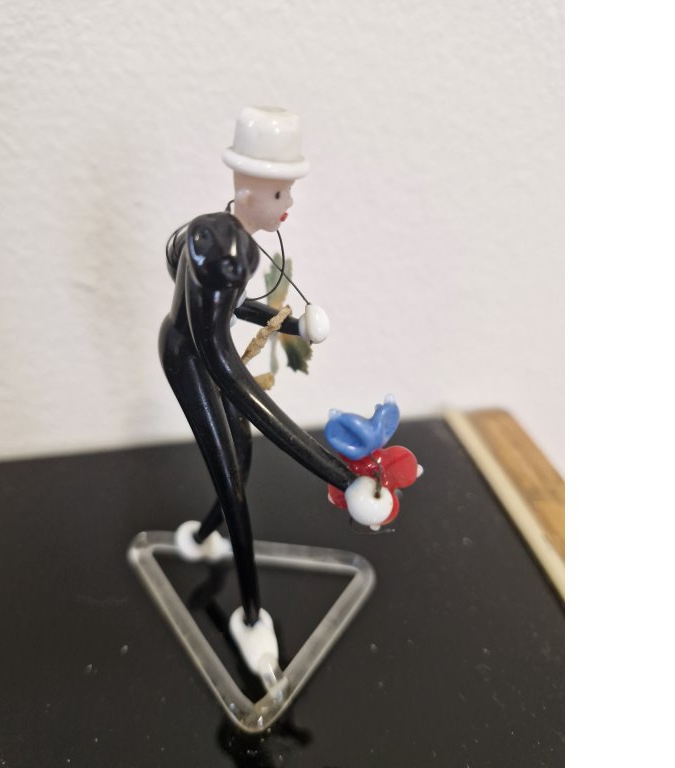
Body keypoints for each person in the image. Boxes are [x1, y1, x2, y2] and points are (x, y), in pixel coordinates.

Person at [159, 107, 387, 682]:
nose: (289, 205)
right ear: (245, 190)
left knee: (242, 457)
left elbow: (220, 301)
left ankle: (200, 538)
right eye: (280, 193)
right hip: (190, 361)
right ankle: (251, 616)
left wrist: (295, 325)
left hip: (201, 349)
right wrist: (342, 478)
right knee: (234, 487)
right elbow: (223, 367)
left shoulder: (216, 234)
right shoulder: (226, 250)